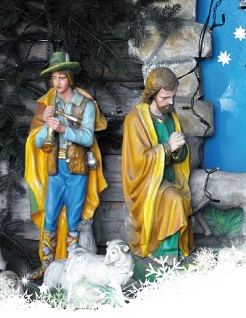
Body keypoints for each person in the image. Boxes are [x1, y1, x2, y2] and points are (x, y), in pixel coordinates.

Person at [24, 51, 107, 280]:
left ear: (69, 77)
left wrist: (63, 129)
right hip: (55, 169)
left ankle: (71, 268)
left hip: (77, 170)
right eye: (54, 78)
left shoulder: (86, 105)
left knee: (73, 221)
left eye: (61, 77)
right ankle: (46, 266)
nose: (57, 83)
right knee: (50, 217)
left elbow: (88, 138)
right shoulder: (50, 104)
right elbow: (39, 143)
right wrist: (46, 124)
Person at [121, 67, 192, 262]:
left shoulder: (170, 116)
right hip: (146, 184)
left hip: (169, 178)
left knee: (180, 197)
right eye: (165, 98)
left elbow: (180, 156)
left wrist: (179, 149)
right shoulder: (135, 120)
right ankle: (166, 252)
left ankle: (173, 249)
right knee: (174, 199)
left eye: (173, 97)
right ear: (152, 95)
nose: (171, 102)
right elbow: (137, 162)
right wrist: (168, 147)